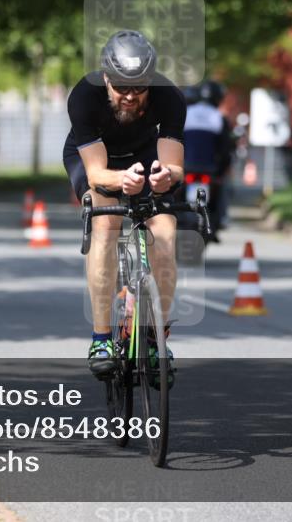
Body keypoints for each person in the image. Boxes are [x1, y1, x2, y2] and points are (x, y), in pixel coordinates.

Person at [63, 30, 185, 380]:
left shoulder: (170, 97)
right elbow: (98, 173)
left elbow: (174, 165)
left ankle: (153, 338)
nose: (130, 96)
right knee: (106, 224)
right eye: (121, 88)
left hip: (146, 156)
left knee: (166, 229)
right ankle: (101, 339)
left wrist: (165, 177)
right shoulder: (84, 97)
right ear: (105, 78)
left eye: (139, 88)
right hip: (96, 159)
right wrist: (122, 181)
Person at [183, 80, 233, 238]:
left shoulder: (186, 113)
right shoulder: (219, 117)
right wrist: (221, 171)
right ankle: (223, 217)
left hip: (184, 168)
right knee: (223, 187)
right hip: (209, 170)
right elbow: (226, 149)